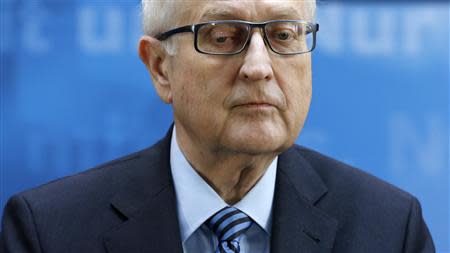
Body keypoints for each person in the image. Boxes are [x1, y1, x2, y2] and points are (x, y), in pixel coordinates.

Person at [1, 0, 435, 252]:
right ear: (159, 68)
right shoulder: (48, 232)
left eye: (283, 35)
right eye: (224, 37)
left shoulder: (391, 229)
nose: (259, 67)